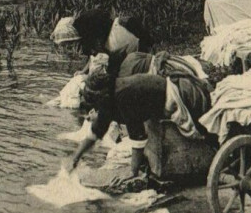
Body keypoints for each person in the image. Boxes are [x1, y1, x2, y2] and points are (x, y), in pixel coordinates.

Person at [69, 64, 212, 177]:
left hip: (177, 96)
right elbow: (96, 131)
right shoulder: (111, 95)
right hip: (160, 95)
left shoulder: (123, 96)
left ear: (102, 96)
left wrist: (133, 172)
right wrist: (75, 158)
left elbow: (138, 136)